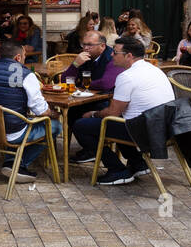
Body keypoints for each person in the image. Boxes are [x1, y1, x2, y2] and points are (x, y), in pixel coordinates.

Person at [72, 36, 175, 186]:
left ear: (129, 56)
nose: (112, 55)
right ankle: (137, 163)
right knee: (120, 120)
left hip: (145, 131)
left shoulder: (127, 76)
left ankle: (117, 170)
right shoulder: (155, 69)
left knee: (81, 125)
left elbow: (112, 112)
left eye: (115, 52)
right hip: (165, 128)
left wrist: (93, 114)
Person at [0, 40, 61, 180]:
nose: (24, 59)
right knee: (54, 126)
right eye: (24, 56)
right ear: (18, 58)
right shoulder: (26, 75)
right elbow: (40, 110)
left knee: (17, 119)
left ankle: (10, 161)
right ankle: (18, 164)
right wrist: (53, 114)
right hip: (13, 132)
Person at [61, 30, 122, 104]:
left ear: (102, 46)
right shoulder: (84, 57)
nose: (86, 48)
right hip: (84, 99)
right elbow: (65, 80)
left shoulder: (113, 57)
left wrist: (83, 85)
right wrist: (75, 65)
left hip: (107, 100)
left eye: (90, 45)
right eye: (84, 44)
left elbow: (105, 84)